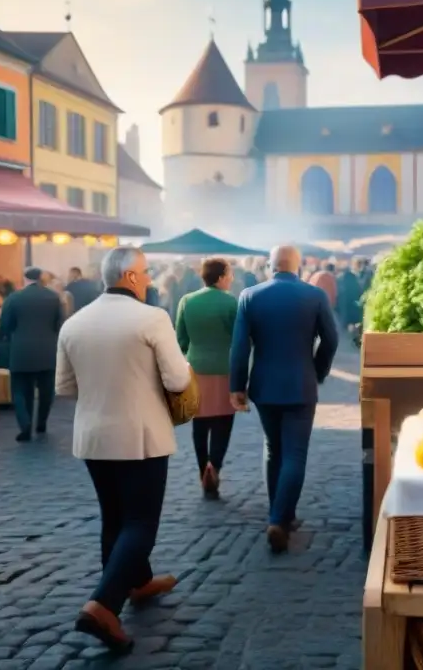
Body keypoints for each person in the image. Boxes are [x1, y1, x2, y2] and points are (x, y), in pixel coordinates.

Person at [57, 246, 190, 652]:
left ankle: (137, 580)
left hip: (94, 435)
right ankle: (103, 605)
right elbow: (178, 380)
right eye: (146, 273)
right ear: (130, 277)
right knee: (140, 524)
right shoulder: (151, 317)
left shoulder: (75, 323)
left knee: (114, 517)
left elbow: (64, 388)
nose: (150, 279)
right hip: (140, 434)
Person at [229, 245, 339, 553]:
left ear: (270, 266)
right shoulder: (314, 295)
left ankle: (278, 514)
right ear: (299, 266)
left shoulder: (250, 296)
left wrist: (237, 385)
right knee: (295, 454)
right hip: (300, 384)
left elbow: (239, 347)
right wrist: (317, 370)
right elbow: (331, 339)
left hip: (264, 385)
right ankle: (281, 517)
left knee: (273, 448)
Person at [176, 258, 239, 498]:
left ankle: (203, 467)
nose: (231, 278)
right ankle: (216, 465)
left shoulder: (187, 301)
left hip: (196, 368)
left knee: (200, 424)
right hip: (224, 369)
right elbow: (239, 338)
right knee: (224, 421)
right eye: (230, 274)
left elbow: (180, 338)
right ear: (221, 276)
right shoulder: (230, 302)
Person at [0, 267, 64, 441]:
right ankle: (41, 423)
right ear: (41, 278)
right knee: (46, 391)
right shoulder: (53, 297)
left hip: (21, 350)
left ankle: (25, 424)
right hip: (48, 350)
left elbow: (5, 325)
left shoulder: (14, 298)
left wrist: (10, 336)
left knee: (20, 390)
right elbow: (60, 323)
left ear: (24, 279)